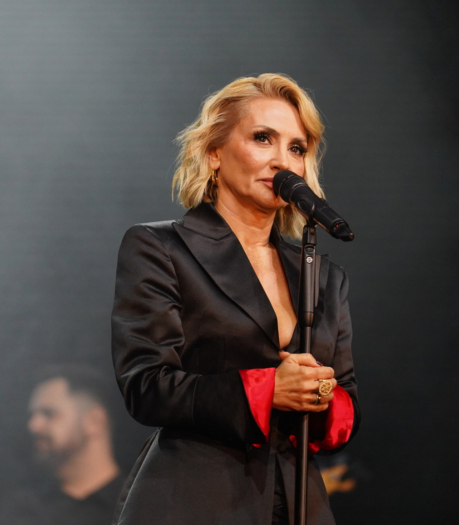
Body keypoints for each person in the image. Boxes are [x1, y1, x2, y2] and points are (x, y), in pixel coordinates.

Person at [111, 73, 360, 525]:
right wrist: (267, 390)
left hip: (299, 502)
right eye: (263, 138)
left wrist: (321, 392)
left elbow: (346, 406)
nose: (282, 161)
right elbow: (146, 386)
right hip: (196, 499)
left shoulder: (325, 277)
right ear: (214, 153)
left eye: (296, 148)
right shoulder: (161, 248)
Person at [0, 365, 121, 525]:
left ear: (94, 421)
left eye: (49, 413)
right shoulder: (22, 511)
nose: (33, 426)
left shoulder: (138, 504)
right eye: (32, 415)